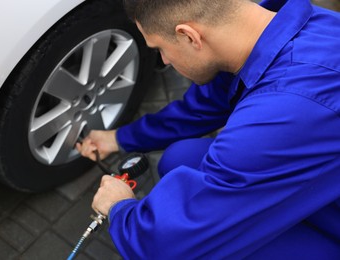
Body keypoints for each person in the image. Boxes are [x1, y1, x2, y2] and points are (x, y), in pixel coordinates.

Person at [77, 0, 340, 258]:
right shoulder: (271, 22)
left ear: (189, 36)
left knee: (204, 244)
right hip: (325, 188)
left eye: (160, 49)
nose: (165, 61)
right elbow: (202, 106)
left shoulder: (281, 113)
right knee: (182, 158)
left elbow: (163, 246)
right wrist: (119, 138)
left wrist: (119, 208)